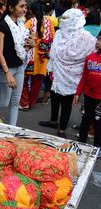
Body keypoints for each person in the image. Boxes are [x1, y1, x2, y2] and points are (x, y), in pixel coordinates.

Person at [39, 9, 96, 138]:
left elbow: (92, 52)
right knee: (54, 97)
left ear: (74, 20)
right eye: (62, 18)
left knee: (66, 102)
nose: (62, 21)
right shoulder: (59, 33)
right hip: (57, 72)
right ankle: (53, 121)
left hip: (73, 75)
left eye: (66, 19)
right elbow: (54, 51)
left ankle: (62, 129)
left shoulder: (85, 37)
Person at [0, 0, 34, 126]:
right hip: (6, 70)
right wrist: (7, 73)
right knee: (4, 103)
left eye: (25, 6)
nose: (24, 9)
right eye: (21, 6)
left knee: (15, 103)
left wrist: (31, 45)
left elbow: (22, 49)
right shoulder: (3, 26)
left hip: (19, 67)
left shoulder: (21, 24)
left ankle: (12, 131)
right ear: (12, 8)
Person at [19, 1, 55, 110]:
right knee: (37, 82)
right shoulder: (49, 21)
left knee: (24, 79)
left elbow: (22, 37)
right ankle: (32, 102)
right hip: (42, 57)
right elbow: (53, 37)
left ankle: (24, 102)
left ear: (31, 10)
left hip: (30, 56)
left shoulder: (30, 22)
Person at [74, 31, 101, 147]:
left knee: (98, 123)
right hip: (88, 95)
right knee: (85, 119)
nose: (98, 42)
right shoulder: (90, 58)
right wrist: (78, 93)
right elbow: (84, 77)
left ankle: (97, 147)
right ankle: (81, 143)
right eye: (98, 39)